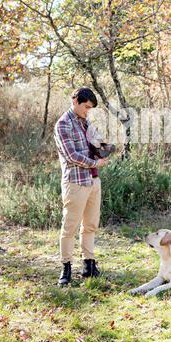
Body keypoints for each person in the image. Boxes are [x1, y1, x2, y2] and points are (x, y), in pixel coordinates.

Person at [54, 87, 108, 286]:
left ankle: (89, 265)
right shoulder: (63, 124)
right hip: (76, 182)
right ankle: (66, 268)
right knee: (70, 227)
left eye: (90, 109)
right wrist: (95, 163)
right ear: (76, 101)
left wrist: (102, 148)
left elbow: (94, 145)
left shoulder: (85, 122)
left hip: (94, 181)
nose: (88, 111)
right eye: (86, 107)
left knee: (91, 225)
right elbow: (71, 156)